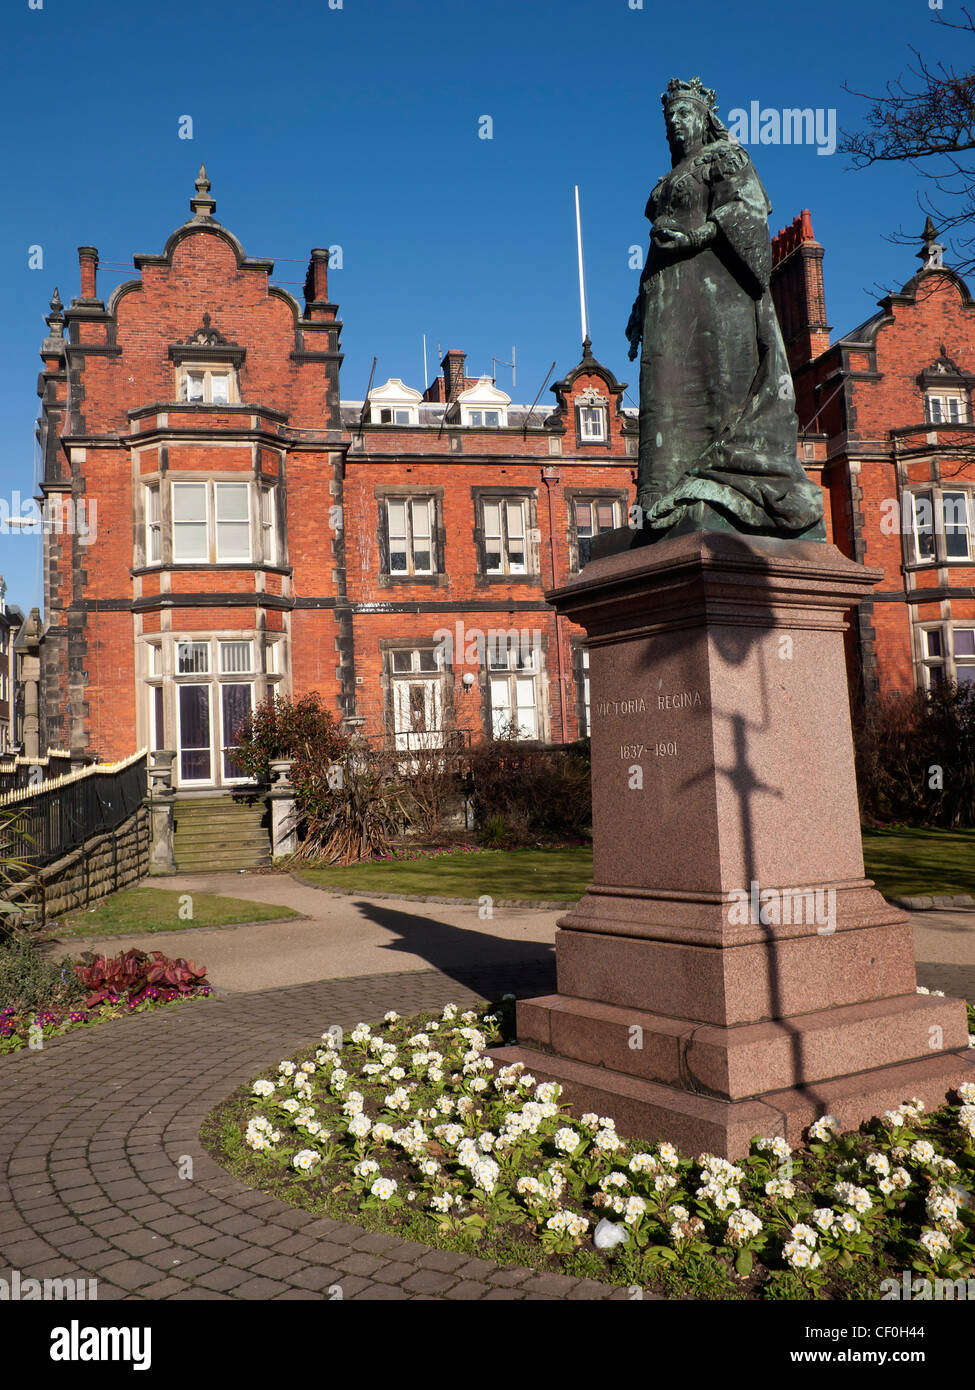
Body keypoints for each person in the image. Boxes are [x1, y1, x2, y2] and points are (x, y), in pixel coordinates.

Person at [626, 77, 825, 539]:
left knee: (717, 383)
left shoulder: (724, 157)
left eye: (684, 113)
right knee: (663, 388)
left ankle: (722, 477)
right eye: (669, 116)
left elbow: (748, 210)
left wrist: (697, 236)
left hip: (715, 293)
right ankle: (664, 491)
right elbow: (656, 248)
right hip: (667, 300)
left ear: (703, 117)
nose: (675, 122)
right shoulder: (666, 180)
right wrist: (641, 302)